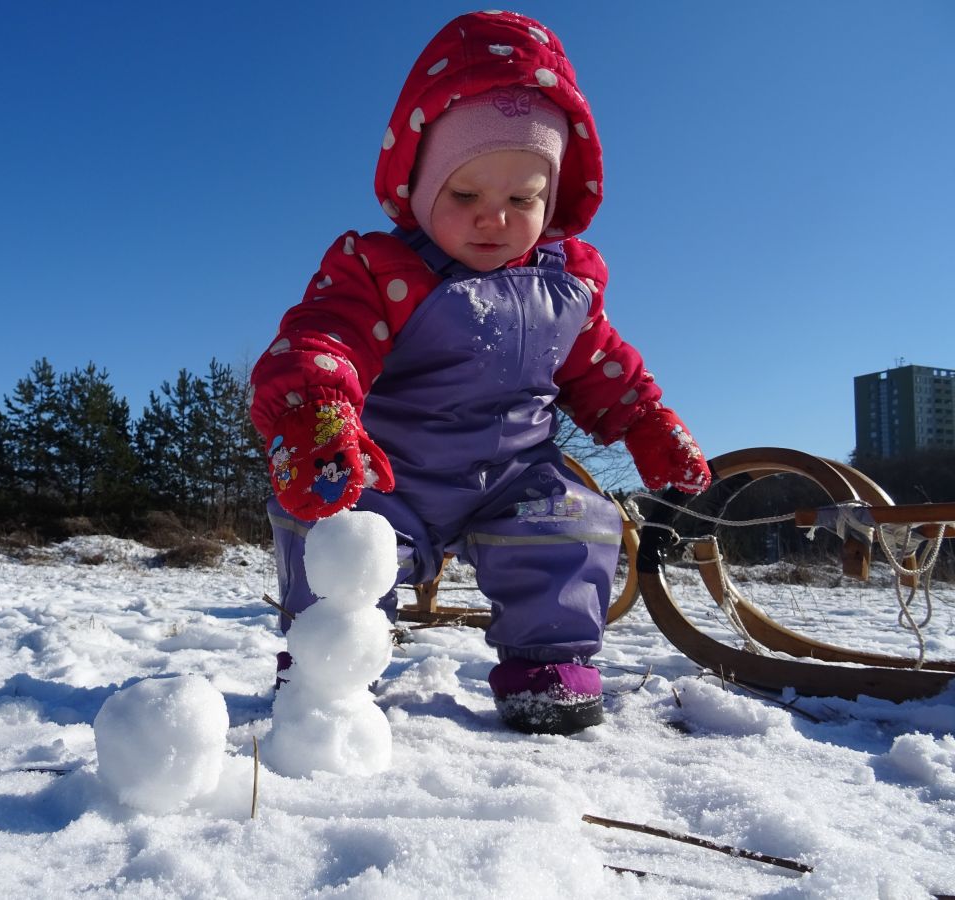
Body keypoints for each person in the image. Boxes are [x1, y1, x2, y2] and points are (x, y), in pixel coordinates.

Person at [249, 10, 710, 734]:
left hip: (512, 477)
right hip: (390, 473)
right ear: (422, 183)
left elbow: (605, 368)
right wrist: (317, 408)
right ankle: (325, 666)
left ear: (552, 201)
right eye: (465, 196)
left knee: (571, 527)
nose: (493, 218)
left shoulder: (569, 290)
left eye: (522, 199)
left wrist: (647, 422)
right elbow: (325, 336)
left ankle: (545, 666)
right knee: (336, 543)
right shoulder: (383, 272)